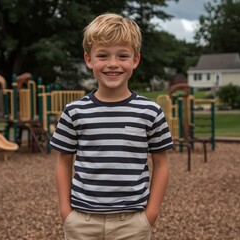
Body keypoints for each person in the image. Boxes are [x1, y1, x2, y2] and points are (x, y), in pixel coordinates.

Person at [50, 13, 174, 240]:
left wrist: (151, 214)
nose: (113, 64)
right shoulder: (74, 112)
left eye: (123, 55)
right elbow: (63, 161)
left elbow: (161, 163)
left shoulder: (150, 112)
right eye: (103, 55)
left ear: (135, 60)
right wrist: (66, 212)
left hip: (132, 222)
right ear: (89, 60)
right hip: (82, 221)